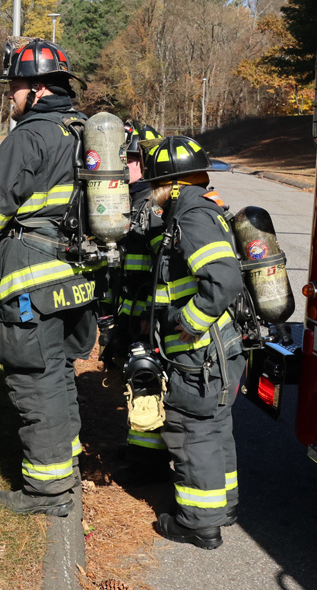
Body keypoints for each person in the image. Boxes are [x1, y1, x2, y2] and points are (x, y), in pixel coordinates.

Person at [0, 38, 101, 517]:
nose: (9, 96)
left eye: (14, 87)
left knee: (34, 382)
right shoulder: (83, 130)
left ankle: (46, 491)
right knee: (60, 374)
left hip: (34, 281)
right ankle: (65, 467)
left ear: (38, 89)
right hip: (77, 278)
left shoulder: (29, 136)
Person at [139, 135, 244, 550]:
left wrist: (189, 321)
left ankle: (198, 524)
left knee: (192, 430)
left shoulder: (192, 216)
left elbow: (223, 279)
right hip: (220, 350)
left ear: (169, 183)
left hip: (201, 351)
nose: (153, 194)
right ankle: (224, 507)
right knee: (216, 427)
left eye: (155, 185)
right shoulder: (199, 210)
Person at [101, 121, 171, 475]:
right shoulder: (132, 199)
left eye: (129, 160)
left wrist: (149, 315)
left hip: (148, 313)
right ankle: (138, 448)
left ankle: (149, 462)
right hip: (132, 310)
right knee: (135, 380)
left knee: (148, 382)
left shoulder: (155, 206)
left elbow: (159, 270)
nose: (124, 166)